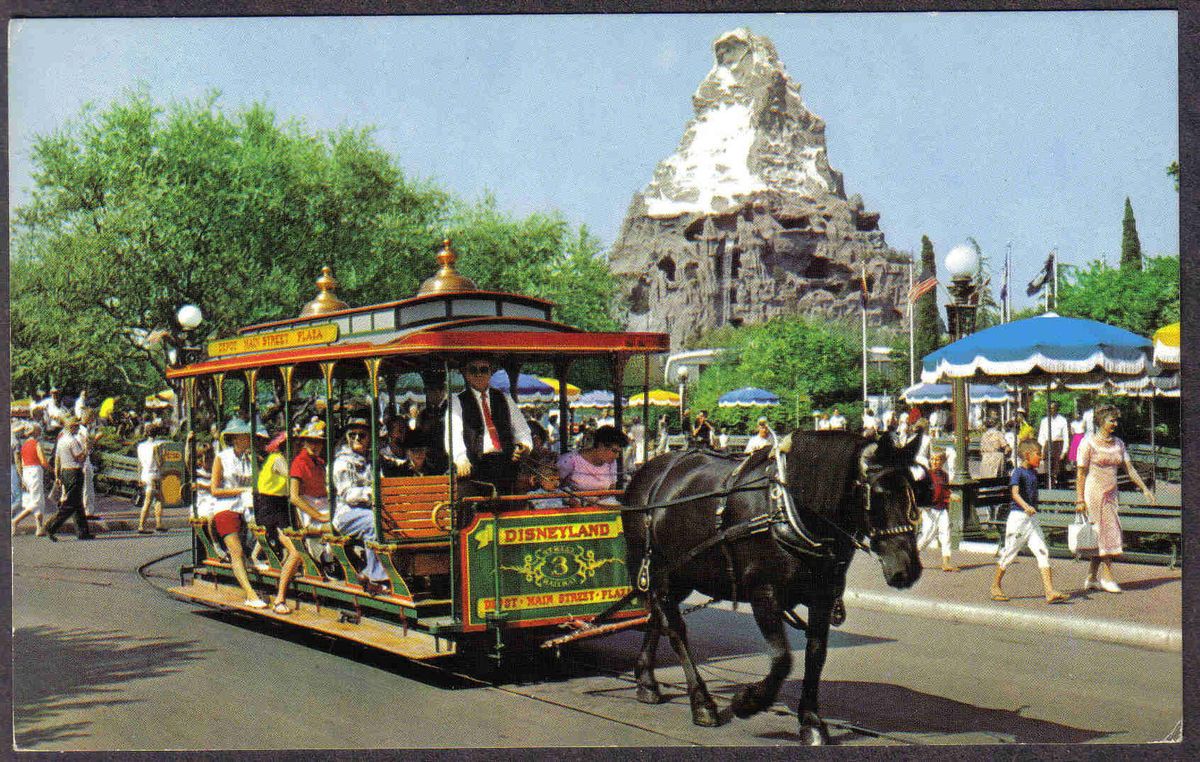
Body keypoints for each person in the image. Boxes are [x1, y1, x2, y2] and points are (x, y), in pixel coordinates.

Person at [1076, 405, 1154, 594]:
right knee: (1105, 533)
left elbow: (1130, 469)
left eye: (1116, 420)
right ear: (1101, 421)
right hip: (1094, 493)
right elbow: (1080, 473)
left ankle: (1092, 577)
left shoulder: (1118, 443)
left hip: (1111, 494)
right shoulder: (1088, 443)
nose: (1115, 424)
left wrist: (1144, 489)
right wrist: (1079, 499)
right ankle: (1108, 577)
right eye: (1112, 420)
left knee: (1103, 534)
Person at [991, 440, 1069, 604]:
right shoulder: (1018, 472)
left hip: (1031, 519)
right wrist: (1026, 506)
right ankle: (995, 585)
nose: (1041, 457)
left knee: (1042, 551)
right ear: (1027, 455)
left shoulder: (1033, 473)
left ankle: (1049, 591)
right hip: (1018, 518)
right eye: (1038, 454)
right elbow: (1015, 493)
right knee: (1010, 552)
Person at [270, 421, 331, 615]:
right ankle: (280, 597)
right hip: (309, 511)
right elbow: (295, 497)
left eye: (319, 442)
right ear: (305, 442)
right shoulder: (299, 463)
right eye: (312, 442)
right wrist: (318, 516)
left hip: (324, 505)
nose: (316, 446)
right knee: (296, 553)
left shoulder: (320, 463)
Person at [447, 358, 532, 493]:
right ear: (465, 373)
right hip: (475, 468)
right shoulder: (457, 401)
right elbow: (453, 433)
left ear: (490, 372)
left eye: (484, 370)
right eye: (473, 370)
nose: (479, 374)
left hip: (505, 465)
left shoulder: (505, 398)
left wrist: (525, 446)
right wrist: (460, 458)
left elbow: (522, 430)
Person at [208, 419, 267, 608]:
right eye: (245, 436)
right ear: (235, 438)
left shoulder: (252, 459)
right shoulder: (222, 458)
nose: (249, 439)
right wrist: (242, 490)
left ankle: (255, 558)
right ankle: (250, 594)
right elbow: (215, 490)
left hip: (248, 507)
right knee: (237, 551)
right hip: (227, 507)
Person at [332, 418, 390, 595]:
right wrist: (371, 493)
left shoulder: (372, 460)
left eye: (362, 435)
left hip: (369, 510)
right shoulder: (342, 462)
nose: (357, 438)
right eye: (352, 435)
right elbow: (348, 494)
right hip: (346, 515)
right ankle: (376, 578)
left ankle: (385, 571)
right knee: (373, 522)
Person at [44, 415, 95, 541]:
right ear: (71, 427)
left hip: (65, 471)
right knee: (70, 504)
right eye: (76, 426)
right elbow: (80, 457)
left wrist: (57, 474)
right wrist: (87, 448)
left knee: (78, 504)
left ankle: (83, 532)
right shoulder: (72, 441)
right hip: (74, 471)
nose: (78, 428)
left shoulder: (61, 440)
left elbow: (57, 459)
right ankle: (51, 526)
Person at [558, 425, 629, 503]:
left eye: (619, 452)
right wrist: (569, 500)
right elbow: (556, 487)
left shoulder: (611, 463)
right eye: (614, 451)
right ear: (601, 445)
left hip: (600, 506)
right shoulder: (570, 460)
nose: (617, 456)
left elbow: (612, 488)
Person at [252, 429, 291, 571]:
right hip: (269, 499)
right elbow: (290, 475)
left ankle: (286, 558)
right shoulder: (278, 459)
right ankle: (255, 556)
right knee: (274, 528)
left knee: (275, 527)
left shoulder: (275, 458)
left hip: (276, 497)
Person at [915, 449, 958, 572]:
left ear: (942, 461)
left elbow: (945, 490)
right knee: (927, 534)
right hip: (930, 509)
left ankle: (946, 562)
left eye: (938, 459)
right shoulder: (926, 475)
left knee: (946, 534)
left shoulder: (944, 475)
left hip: (942, 508)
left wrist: (950, 496)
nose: (935, 462)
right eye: (933, 459)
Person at [13, 422, 49, 535]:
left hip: (26, 471)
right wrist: (51, 469)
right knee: (37, 501)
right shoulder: (36, 444)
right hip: (35, 471)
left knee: (38, 499)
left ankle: (39, 527)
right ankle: (15, 520)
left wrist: (22, 477)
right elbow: (43, 460)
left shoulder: (24, 445)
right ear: (35, 432)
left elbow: (22, 461)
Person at [135, 423, 166, 533]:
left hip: (144, 475)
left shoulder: (140, 446)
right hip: (154, 475)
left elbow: (139, 463)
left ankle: (157, 523)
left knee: (155, 498)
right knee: (154, 500)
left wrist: (139, 477)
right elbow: (159, 462)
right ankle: (143, 525)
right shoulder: (157, 446)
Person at [1037, 401, 1070, 486]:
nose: (1051, 410)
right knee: (1048, 470)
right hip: (1048, 445)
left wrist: (1064, 452)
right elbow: (1041, 436)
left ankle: (1060, 489)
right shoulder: (1044, 421)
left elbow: (1066, 437)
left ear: (1056, 408)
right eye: (1049, 408)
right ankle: (1049, 487)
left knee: (1058, 470)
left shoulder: (1062, 420)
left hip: (1058, 445)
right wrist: (1042, 450)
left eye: (1053, 408)